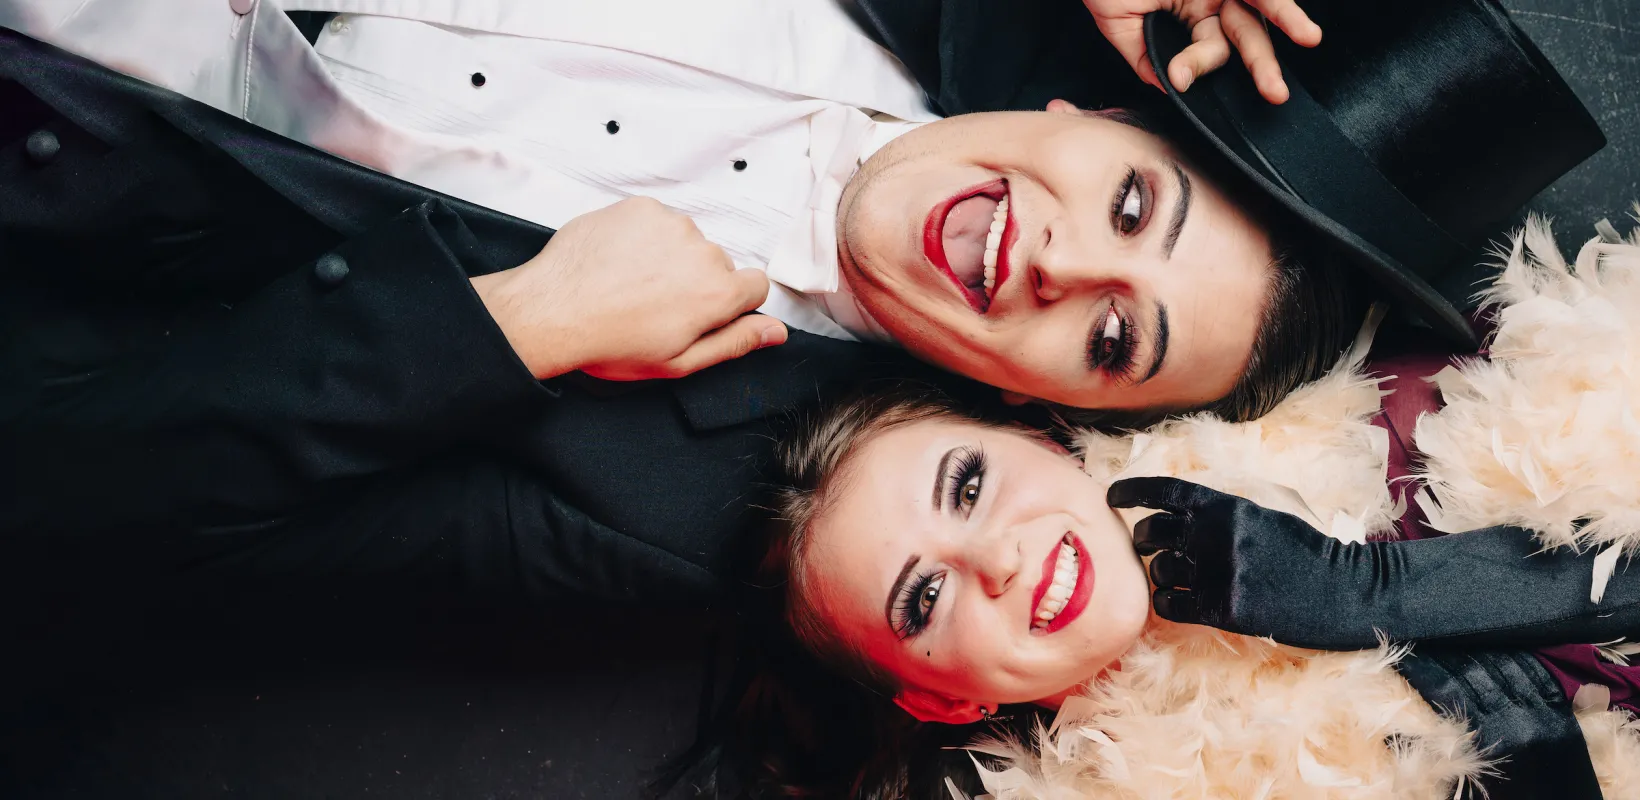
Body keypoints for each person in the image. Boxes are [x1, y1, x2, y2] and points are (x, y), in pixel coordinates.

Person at [0, 0, 1603, 604]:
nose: (1061, 261)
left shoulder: (681, 486)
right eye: (1131, 203)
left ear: (1052, 408)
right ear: (1087, 119)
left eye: (1114, 335)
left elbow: (73, 506)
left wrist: (507, 329)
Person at [709, 294, 1640, 798]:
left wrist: (1379, 595)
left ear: (1034, 438)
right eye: (923, 598)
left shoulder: (1376, 408)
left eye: (970, 485)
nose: (995, 560)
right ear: (944, 702)